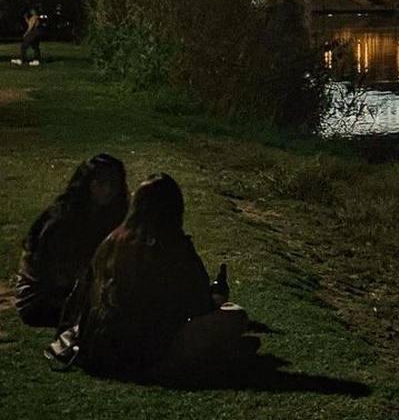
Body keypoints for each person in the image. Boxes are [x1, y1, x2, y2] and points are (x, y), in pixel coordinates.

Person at [56, 174, 247, 379]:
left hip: (97, 349)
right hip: (144, 354)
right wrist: (216, 300)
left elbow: (81, 295)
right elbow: (196, 304)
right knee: (235, 315)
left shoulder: (111, 242)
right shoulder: (173, 246)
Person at [15, 154, 128, 327]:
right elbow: (52, 272)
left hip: (80, 290)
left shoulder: (109, 215)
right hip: (41, 297)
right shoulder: (63, 220)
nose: (108, 190)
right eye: (101, 183)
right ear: (88, 184)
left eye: (114, 184)